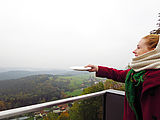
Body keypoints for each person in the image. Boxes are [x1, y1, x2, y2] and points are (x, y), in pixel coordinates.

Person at [85, 34, 160, 120]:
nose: (134, 51)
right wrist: (98, 68)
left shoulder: (156, 75)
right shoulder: (135, 71)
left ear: (153, 51)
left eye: (139, 48)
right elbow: (118, 74)